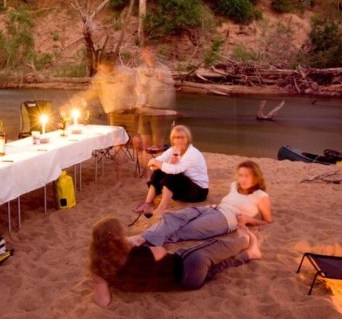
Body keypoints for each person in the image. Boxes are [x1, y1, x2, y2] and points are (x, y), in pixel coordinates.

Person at [89, 216, 261, 307]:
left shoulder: (100, 270)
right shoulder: (137, 254)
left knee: (216, 268)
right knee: (215, 246)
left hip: (187, 284)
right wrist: (131, 243)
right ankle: (245, 240)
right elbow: (161, 252)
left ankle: (250, 254)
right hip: (189, 265)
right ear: (120, 237)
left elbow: (103, 301)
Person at [129, 160, 272, 247]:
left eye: (247, 176)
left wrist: (248, 219)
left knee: (186, 229)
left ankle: (141, 242)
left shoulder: (261, 195)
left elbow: (268, 221)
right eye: (241, 175)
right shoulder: (235, 185)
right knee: (173, 217)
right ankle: (141, 237)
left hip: (226, 219)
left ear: (256, 177)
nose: (243, 179)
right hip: (213, 209)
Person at [134, 125, 208, 216]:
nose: (179, 140)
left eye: (182, 137)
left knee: (172, 175)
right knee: (159, 172)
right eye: (176, 137)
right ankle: (148, 203)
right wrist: (158, 164)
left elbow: (175, 170)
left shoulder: (192, 153)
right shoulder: (173, 150)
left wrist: (158, 163)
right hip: (183, 186)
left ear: (187, 139)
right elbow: (153, 164)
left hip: (198, 191)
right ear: (172, 139)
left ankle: (162, 207)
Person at [64, 53, 138, 138]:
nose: (100, 69)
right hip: (113, 114)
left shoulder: (125, 73)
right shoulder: (99, 79)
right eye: (99, 67)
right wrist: (72, 102)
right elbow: (89, 93)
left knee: (135, 139)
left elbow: (138, 87)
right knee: (117, 140)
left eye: (103, 66)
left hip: (130, 112)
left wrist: (137, 103)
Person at [135, 46, 176, 151]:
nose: (150, 53)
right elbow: (135, 87)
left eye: (152, 50)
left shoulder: (164, 68)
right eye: (147, 51)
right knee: (145, 145)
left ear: (155, 53)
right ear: (142, 54)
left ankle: (158, 166)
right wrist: (138, 89)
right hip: (144, 108)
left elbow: (172, 84)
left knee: (158, 145)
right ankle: (146, 167)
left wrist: (163, 79)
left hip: (159, 108)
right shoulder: (140, 69)